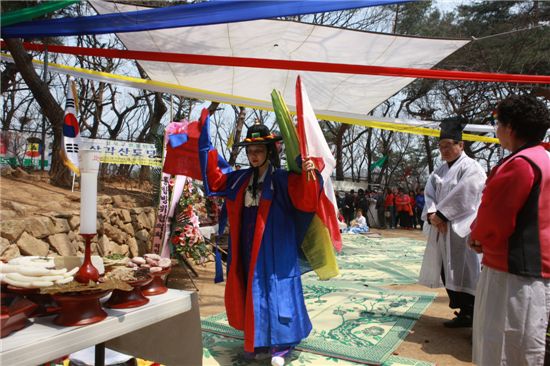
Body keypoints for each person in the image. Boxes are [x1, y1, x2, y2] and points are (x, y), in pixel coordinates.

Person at [201, 122, 320, 366]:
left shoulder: (283, 178)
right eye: (250, 152)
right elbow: (216, 180)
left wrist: (310, 173)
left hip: (276, 245)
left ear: (270, 151)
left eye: (258, 151)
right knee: (253, 288)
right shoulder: (241, 178)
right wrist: (204, 145)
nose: (253, 156)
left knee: (276, 290)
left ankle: (282, 342)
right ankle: (258, 339)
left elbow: (306, 200)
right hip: (247, 243)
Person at [469, 95, 550, 365]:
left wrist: (478, 237)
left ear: (511, 127)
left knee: (499, 343)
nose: (496, 129)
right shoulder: (544, 159)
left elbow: (494, 218)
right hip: (536, 268)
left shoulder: (520, 164)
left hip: (511, 270)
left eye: (497, 122)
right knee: (526, 342)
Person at [418, 116, 486, 328]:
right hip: (441, 230)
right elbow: (429, 195)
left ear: (460, 145)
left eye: (448, 146)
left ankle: (473, 314)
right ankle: (463, 312)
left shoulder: (472, 167)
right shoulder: (438, 171)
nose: (444, 150)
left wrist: (442, 215)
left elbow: (467, 193)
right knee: (447, 271)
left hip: (462, 229)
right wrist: (432, 215)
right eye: (441, 146)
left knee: (467, 271)